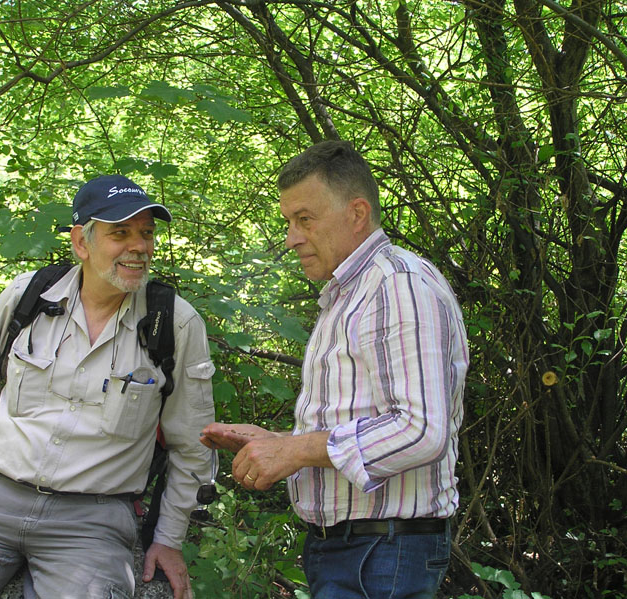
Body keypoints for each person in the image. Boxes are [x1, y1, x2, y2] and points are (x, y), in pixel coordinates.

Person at [0, 174, 215, 599]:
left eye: (147, 234)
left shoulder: (174, 324)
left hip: (92, 523)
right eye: (120, 232)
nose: (139, 246)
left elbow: (192, 444)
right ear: (81, 242)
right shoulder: (27, 296)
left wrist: (168, 539)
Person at [201, 141, 469, 598]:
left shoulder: (396, 287)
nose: (291, 238)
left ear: (357, 213)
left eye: (305, 220)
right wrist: (280, 445)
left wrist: (297, 451)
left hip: (383, 553)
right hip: (362, 553)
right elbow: (363, 423)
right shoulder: (350, 293)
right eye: (289, 222)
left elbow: (421, 430)